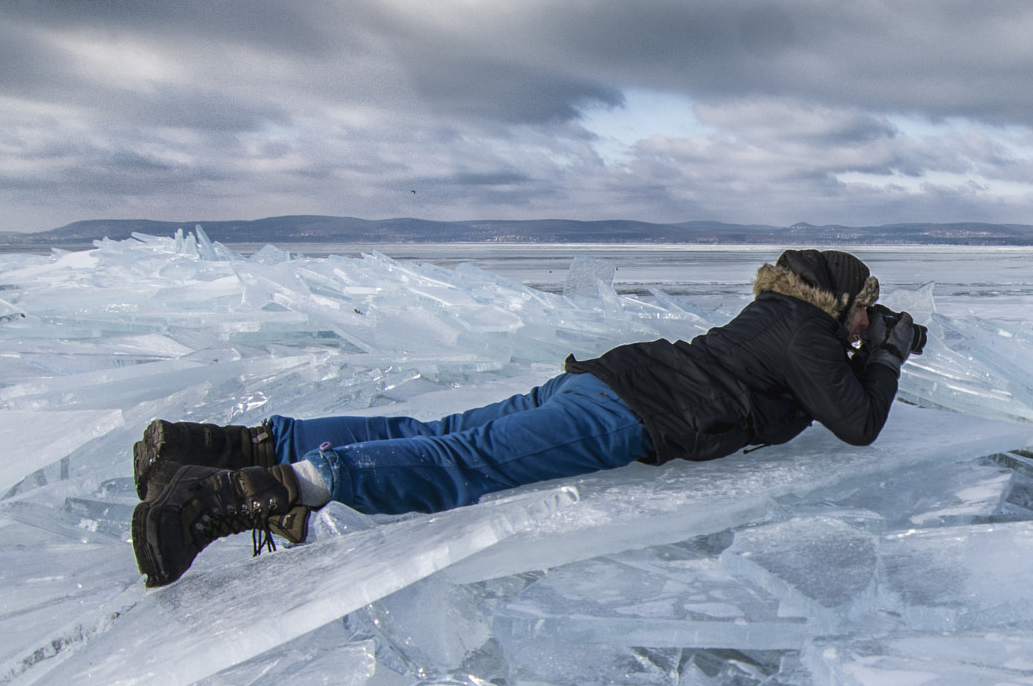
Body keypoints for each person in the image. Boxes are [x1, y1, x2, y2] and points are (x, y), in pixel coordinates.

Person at [130, 249, 923, 588]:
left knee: (435, 436)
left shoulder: (780, 322)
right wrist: (885, 357)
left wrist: (867, 349)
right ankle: (238, 494)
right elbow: (856, 424)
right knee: (460, 465)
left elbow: (815, 390)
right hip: (628, 414)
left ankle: (221, 445)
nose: (865, 324)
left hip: (606, 380)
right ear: (841, 302)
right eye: (864, 310)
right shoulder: (806, 334)